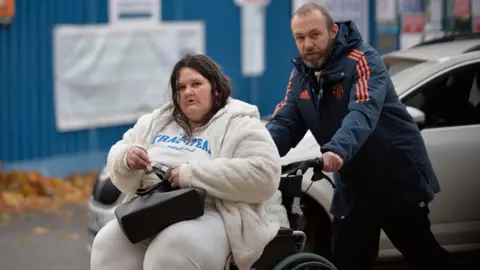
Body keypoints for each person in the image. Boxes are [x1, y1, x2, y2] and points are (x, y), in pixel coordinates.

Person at [265, 3, 450, 270]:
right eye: (300, 38)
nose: (307, 44)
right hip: (353, 186)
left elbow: (363, 112)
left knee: (424, 255)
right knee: (347, 260)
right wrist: (255, 152)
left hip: (395, 178)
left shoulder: (363, 60)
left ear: (333, 31)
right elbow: (285, 122)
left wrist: (337, 150)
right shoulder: (300, 77)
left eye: (315, 35)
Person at [90, 54, 289, 270]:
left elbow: (264, 174)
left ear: (216, 88)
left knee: (170, 250)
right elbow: (118, 152)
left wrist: (190, 175)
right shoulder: (157, 121)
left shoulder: (240, 123)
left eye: (196, 84)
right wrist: (127, 158)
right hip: (153, 210)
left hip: (214, 212)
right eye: (181, 87)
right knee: (106, 242)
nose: (188, 92)